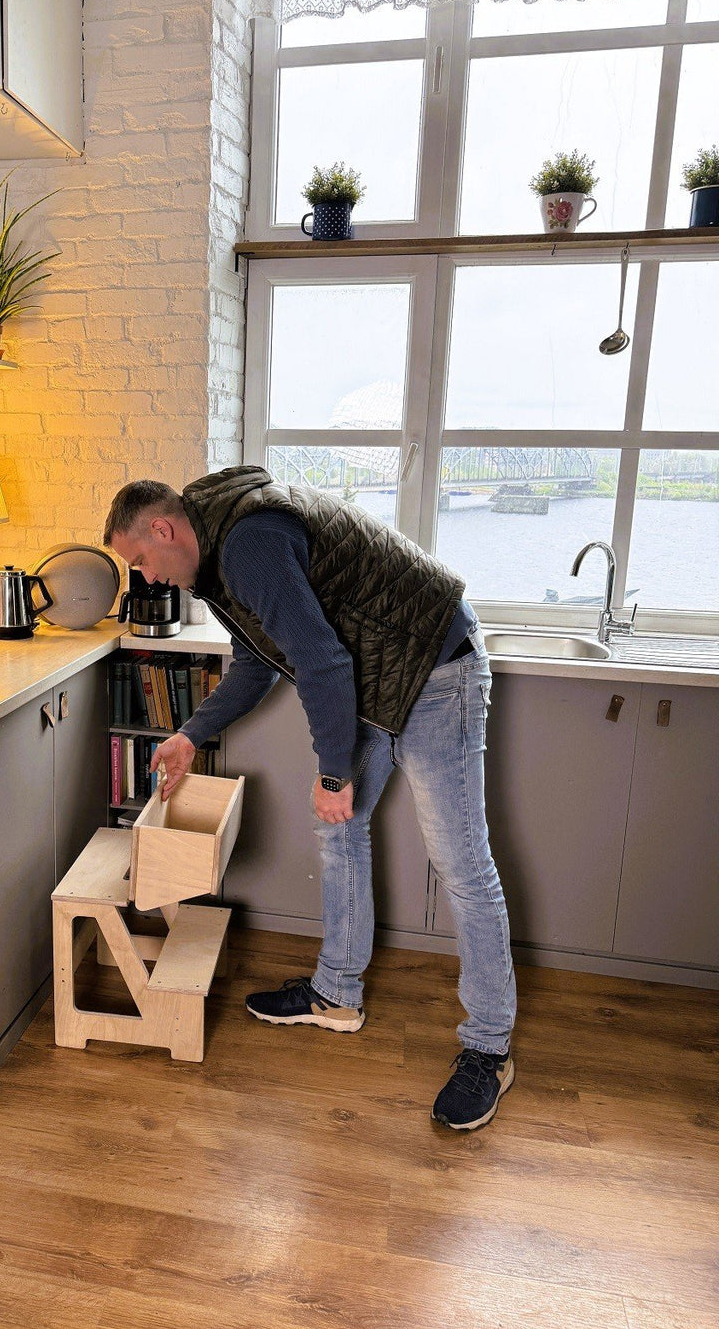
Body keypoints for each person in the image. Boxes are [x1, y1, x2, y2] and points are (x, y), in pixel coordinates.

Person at [103, 465, 517, 1131]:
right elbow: (258, 662)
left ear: (163, 527)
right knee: (340, 830)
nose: (146, 578)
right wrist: (190, 733)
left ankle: (489, 1048)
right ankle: (336, 993)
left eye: (142, 560)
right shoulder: (214, 560)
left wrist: (333, 773)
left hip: (438, 668)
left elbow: (322, 663)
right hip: (380, 673)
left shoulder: (247, 544)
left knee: (461, 861)